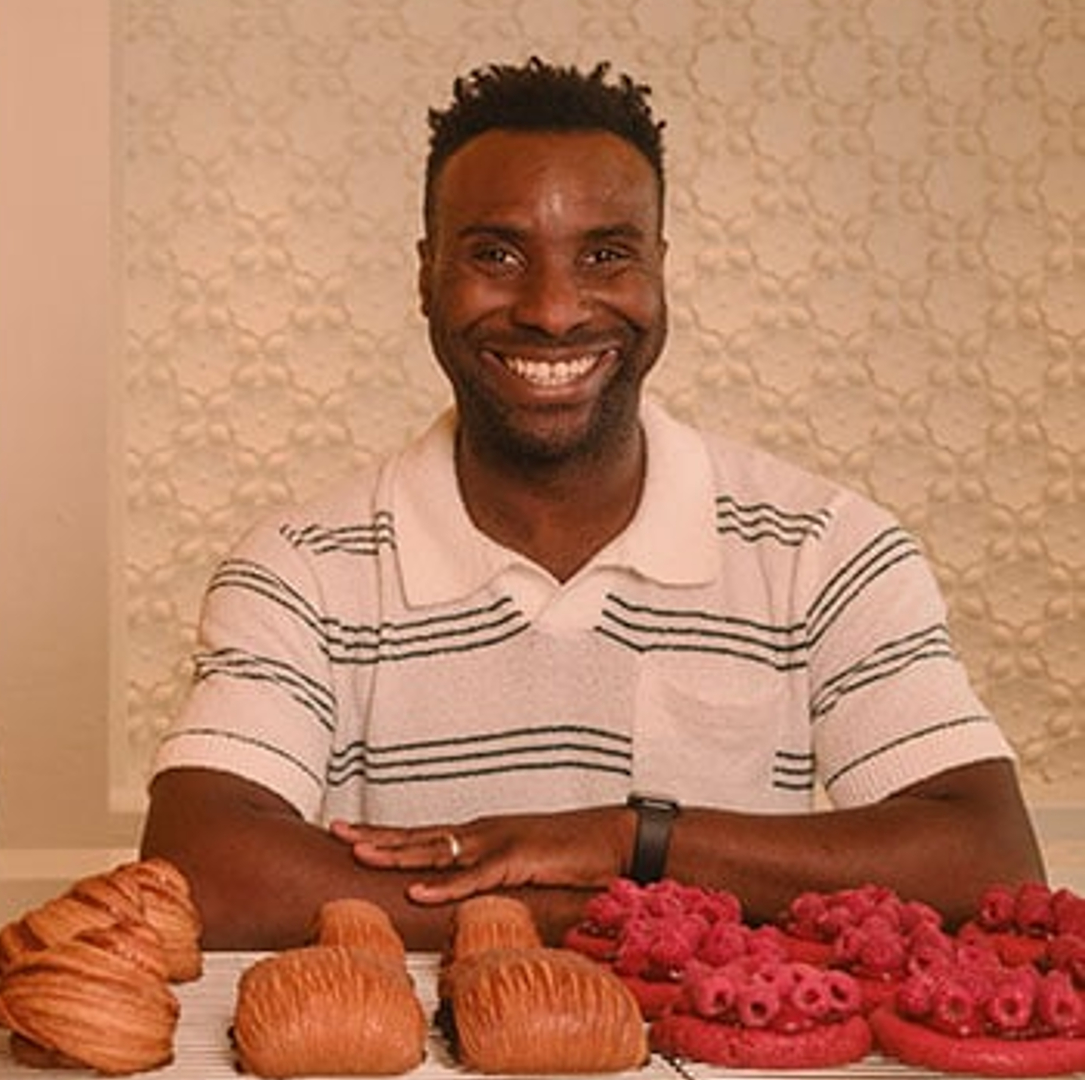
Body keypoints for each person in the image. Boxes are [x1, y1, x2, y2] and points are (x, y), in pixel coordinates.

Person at [138, 58, 1045, 952]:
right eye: (497, 255)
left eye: (605, 255)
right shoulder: (301, 567)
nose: (554, 310)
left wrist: (631, 837)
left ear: (660, 271)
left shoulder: (828, 548)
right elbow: (205, 869)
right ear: (425, 277)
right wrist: (591, 911)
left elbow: (986, 859)